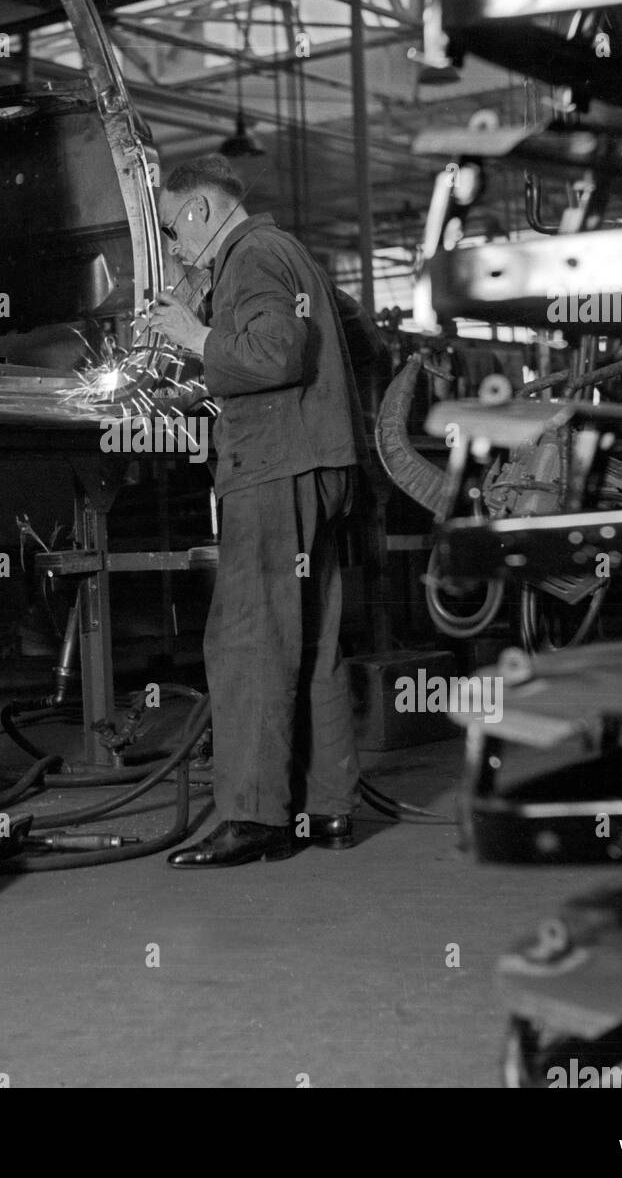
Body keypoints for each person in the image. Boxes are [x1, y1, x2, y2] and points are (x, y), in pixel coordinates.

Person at [146, 155, 369, 868]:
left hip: (275, 469)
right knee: (312, 640)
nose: (176, 247)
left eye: (173, 229)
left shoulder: (250, 255)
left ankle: (253, 817)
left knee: (248, 640)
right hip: (318, 465)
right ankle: (328, 808)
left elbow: (275, 355)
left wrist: (193, 336)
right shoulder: (289, 251)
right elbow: (358, 337)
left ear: (202, 212)